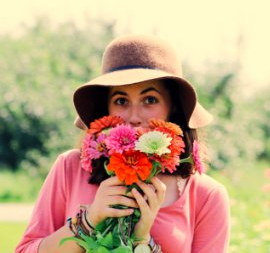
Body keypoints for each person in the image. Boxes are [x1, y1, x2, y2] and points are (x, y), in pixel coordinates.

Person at [16, 35, 230, 253]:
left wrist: (143, 241)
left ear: (173, 107)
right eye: (121, 101)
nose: (134, 116)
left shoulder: (206, 195)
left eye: (150, 100)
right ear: (106, 109)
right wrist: (90, 220)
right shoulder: (70, 167)